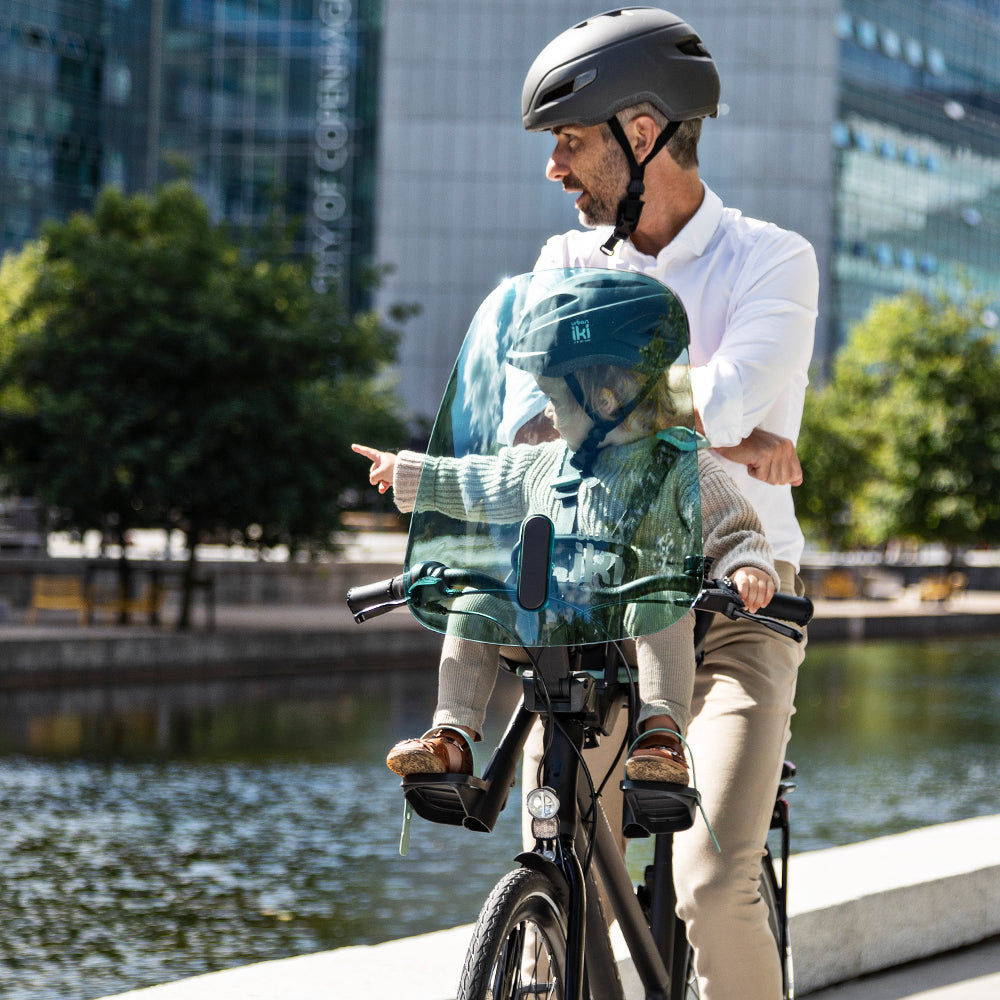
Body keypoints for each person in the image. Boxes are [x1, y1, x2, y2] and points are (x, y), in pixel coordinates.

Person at [510, 9, 819, 999]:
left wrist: (606, 403)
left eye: (570, 142)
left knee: (710, 882)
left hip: (739, 605)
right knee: (561, 858)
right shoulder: (567, 264)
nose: (554, 171)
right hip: (596, 595)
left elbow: (725, 394)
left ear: (641, 131)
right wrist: (716, 427)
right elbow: (525, 419)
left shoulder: (772, 259)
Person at [353, 272, 779, 788]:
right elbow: (481, 480)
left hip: (624, 627)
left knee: (661, 601)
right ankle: (453, 736)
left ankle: (661, 734)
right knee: (475, 598)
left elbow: (734, 527)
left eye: (555, 400)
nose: (549, 418)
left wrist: (748, 566)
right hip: (549, 620)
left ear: (602, 402)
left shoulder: (675, 464)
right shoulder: (544, 465)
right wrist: (409, 472)